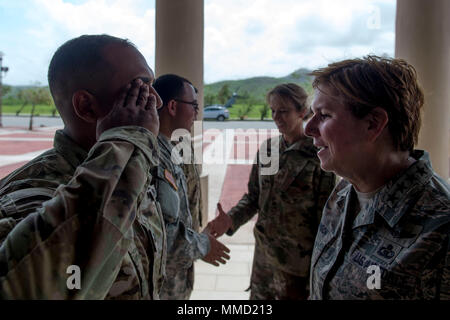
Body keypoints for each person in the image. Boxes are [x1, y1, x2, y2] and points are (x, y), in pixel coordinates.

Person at [0, 34, 167, 299]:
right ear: (86, 106)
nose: (157, 101)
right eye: (142, 86)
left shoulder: (130, 168)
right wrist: (125, 139)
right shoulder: (32, 198)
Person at [305, 55, 450, 300]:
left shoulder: (442, 230)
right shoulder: (343, 192)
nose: (308, 128)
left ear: (373, 124)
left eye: (324, 115)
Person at [207, 83, 336, 300]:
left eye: (283, 111)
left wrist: (320, 272)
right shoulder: (269, 149)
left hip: (298, 268)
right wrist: (230, 220)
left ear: (302, 112)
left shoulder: (319, 156)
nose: (276, 117)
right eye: (273, 111)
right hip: (263, 261)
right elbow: (255, 197)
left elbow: (328, 220)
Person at [152, 74, 230, 300]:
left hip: (179, 271)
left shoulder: (177, 146)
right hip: (160, 281)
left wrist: (202, 233)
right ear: (173, 106)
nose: (197, 112)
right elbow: (161, 235)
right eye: (194, 105)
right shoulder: (151, 156)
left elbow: (179, 210)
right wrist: (203, 245)